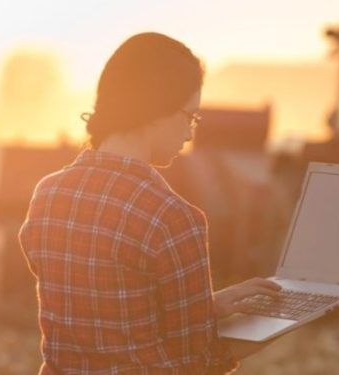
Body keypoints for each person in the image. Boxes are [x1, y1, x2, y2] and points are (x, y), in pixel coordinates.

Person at [18, 32, 282, 374]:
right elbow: (196, 364)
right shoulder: (172, 217)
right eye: (190, 117)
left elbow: (102, 312)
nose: (190, 134)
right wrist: (272, 329)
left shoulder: (48, 195)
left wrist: (206, 306)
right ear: (157, 109)